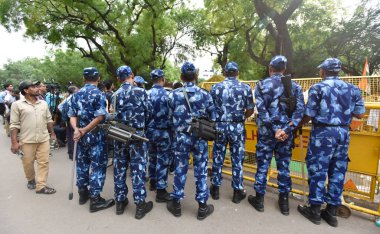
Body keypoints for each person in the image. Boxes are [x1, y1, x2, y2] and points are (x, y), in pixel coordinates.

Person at [297, 58, 365, 227]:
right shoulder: (352, 89)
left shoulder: (318, 88)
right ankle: (331, 213)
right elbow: (360, 114)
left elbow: (309, 114)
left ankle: (314, 210)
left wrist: (298, 124)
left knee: (318, 170)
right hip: (343, 133)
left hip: (323, 133)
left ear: (324, 71)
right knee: (338, 171)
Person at [248, 55, 305, 215]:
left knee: (263, 165)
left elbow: (262, 110)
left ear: (270, 69)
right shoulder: (296, 87)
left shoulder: (261, 85)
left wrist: (274, 130)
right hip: (285, 135)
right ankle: (284, 202)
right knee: (284, 166)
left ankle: (259, 200)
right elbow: (299, 113)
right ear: (284, 69)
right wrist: (285, 130)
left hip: (267, 133)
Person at [166, 62, 216, 220]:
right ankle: (202, 206)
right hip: (200, 137)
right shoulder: (205, 94)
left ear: (181, 77)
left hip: (181, 137)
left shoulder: (173, 95)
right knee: (201, 171)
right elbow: (213, 118)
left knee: (180, 168)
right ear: (196, 76)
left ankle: (176, 204)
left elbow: (169, 117)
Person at [68, 67, 115, 213]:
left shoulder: (76, 94)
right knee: (97, 166)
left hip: (80, 137)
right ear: (98, 79)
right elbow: (100, 117)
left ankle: (83, 193)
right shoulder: (99, 94)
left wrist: (77, 129)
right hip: (95, 136)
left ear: (83, 79)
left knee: (82, 164)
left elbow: (72, 115)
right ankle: (95, 199)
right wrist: (83, 130)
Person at [111, 65, 153, 219]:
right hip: (137, 136)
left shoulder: (114, 95)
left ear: (118, 78)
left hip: (119, 135)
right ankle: (140, 205)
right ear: (132, 75)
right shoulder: (141, 92)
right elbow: (149, 113)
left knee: (120, 168)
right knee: (138, 170)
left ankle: (120, 202)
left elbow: (113, 116)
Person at [209, 61, 255, 204]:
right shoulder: (245, 88)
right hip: (237, 127)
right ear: (237, 73)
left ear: (225, 73)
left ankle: (215, 189)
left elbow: (210, 109)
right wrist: (241, 118)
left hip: (220, 127)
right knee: (237, 159)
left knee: (218, 157)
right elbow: (250, 110)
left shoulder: (215, 87)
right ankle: (237, 192)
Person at [9, 80, 57, 194]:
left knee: (44, 162)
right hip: (27, 140)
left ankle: (41, 186)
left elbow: (49, 120)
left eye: (37, 86)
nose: (37, 88)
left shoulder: (43, 103)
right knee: (28, 163)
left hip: (43, 138)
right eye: (33, 87)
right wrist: (14, 142)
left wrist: (53, 134)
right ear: (25, 90)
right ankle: (31, 179)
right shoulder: (17, 105)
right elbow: (14, 125)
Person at [146, 68, 172, 202]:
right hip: (164, 132)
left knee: (152, 157)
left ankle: (152, 182)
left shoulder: (146, 94)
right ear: (163, 79)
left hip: (150, 131)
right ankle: (161, 191)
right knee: (162, 160)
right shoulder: (169, 94)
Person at [58, 85, 78, 160]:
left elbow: (59, 106)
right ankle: (74, 154)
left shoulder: (67, 98)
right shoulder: (74, 98)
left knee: (69, 136)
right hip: (74, 119)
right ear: (74, 90)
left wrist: (65, 113)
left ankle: (71, 153)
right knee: (74, 136)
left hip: (68, 119)